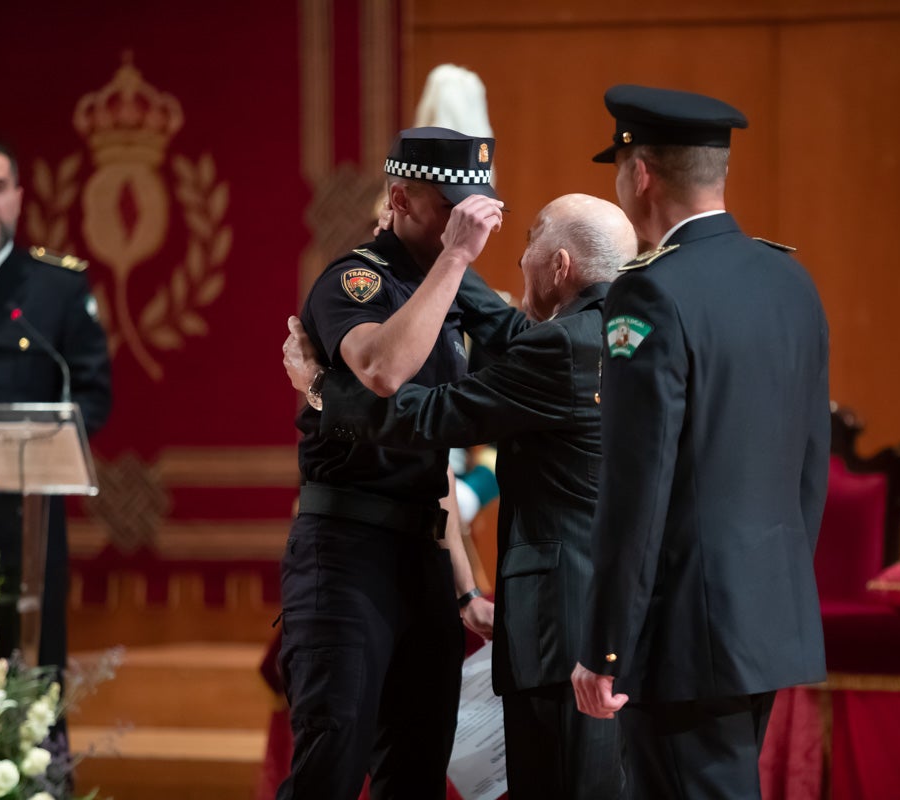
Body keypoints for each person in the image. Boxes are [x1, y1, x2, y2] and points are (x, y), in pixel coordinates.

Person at [283, 193, 638, 799]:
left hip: (559, 625)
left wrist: (319, 386)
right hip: (612, 613)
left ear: (558, 267)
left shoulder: (558, 348)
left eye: (528, 243)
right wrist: (430, 256)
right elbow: (505, 329)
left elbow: (431, 415)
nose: (517, 258)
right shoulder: (627, 333)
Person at [569, 85, 831, 799]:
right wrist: (766, 599)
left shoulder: (651, 294)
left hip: (684, 635)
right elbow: (811, 463)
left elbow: (637, 483)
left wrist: (606, 645)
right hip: (763, 620)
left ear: (641, 173)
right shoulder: (791, 282)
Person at [277, 126, 504, 800]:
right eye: (452, 209)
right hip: (346, 551)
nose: (469, 226)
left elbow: (433, 467)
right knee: (333, 763)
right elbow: (381, 369)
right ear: (401, 197)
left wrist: (464, 589)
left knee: (418, 766)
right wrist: (456, 260)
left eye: (479, 210)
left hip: (424, 555)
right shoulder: (354, 279)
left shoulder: (454, 284)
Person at [0, 135, 112, 672]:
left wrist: (7, 456)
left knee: (31, 677)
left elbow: (89, 396)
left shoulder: (55, 289)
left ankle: (39, 760)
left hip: (22, 520)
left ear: (19, 197)